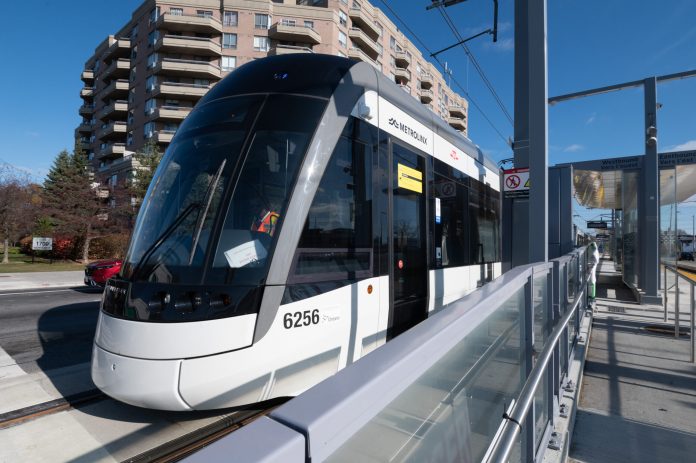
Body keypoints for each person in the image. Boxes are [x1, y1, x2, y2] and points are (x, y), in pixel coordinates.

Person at [588, 241, 600, 306]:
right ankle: (592, 297)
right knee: (592, 281)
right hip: (592, 267)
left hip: (592, 268)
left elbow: (594, 259)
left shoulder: (593, 248)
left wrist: (590, 264)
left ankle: (591, 297)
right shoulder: (594, 249)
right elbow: (596, 260)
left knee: (591, 282)